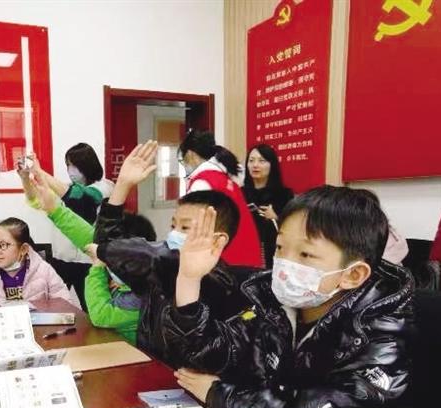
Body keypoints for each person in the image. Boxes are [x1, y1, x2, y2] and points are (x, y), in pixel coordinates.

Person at [168, 185, 413, 408]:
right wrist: (189, 279)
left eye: (306, 254)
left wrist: (218, 396)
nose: (285, 264)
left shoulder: (382, 336)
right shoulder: (277, 306)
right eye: (280, 248)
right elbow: (207, 356)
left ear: (353, 275)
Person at [90, 141, 253, 361]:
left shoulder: (222, 286)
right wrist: (122, 187)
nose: (174, 234)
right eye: (173, 225)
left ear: (218, 240)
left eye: (185, 228)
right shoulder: (160, 269)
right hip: (152, 371)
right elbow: (111, 251)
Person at [25, 173, 156, 344]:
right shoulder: (130, 270)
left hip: (134, 355)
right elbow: (85, 235)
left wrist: (98, 267)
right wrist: (54, 210)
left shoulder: (143, 295)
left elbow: (100, 315)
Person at [18, 143, 114, 311]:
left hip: (89, 261)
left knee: (93, 310)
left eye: (73, 165)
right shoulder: (65, 188)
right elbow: (34, 200)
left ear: (88, 165)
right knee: (51, 308)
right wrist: (25, 178)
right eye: (68, 165)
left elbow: (81, 200)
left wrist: (39, 171)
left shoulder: (105, 187)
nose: (70, 170)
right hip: (61, 260)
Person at [179, 130, 262, 268]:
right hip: (243, 256)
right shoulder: (226, 179)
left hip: (223, 260)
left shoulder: (202, 182)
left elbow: (193, 228)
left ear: (190, 154)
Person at [0, 218, 73, 307]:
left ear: (23, 249)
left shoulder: (43, 269)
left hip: (36, 328)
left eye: (3, 245)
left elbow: (65, 306)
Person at [243, 144, 294, 268]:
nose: (255, 165)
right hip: (244, 254)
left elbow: (293, 229)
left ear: (272, 165)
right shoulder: (240, 193)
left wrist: (275, 218)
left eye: (262, 161)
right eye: (251, 160)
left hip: (273, 256)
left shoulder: (284, 195)